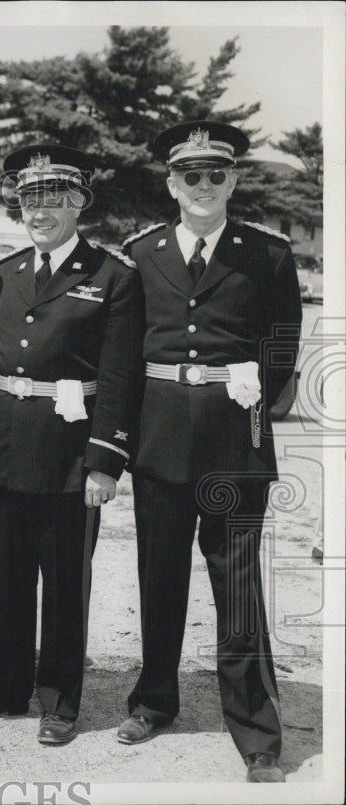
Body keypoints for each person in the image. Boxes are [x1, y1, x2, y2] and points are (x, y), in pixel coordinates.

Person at [119, 121, 302, 782]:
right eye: (189, 175)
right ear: (172, 182)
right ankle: (153, 701)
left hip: (233, 445)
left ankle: (256, 731)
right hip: (159, 440)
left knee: (239, 587)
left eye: (215, 174)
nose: (202, 186)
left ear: (233, 181)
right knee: (159, 577)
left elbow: (281, 348)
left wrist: (251, 391)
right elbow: (125, 352)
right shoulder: (141, 253)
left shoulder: (269, 254)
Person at [0, 145, 142, 745]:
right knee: (10, 575)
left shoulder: (113, 277)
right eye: (30, 199)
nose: (41, 211)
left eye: (55, 199)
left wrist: (105, 461)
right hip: (9, 446)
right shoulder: (4, 273)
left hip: (71, 455)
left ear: (78, 203)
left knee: (64, 582)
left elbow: (118, 378)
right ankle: (4, 688)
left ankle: (59, 700)